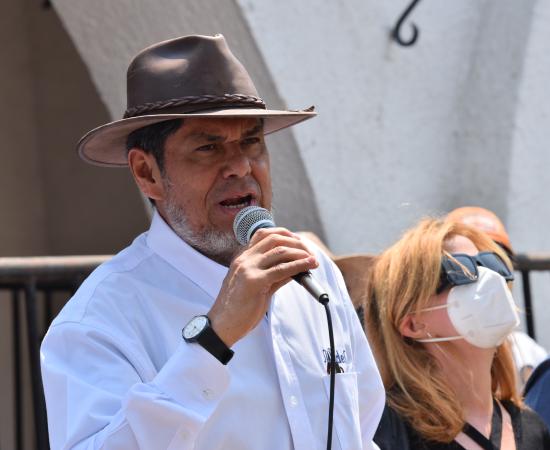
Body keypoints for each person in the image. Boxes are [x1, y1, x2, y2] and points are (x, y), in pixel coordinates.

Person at [40, 34, 384, 449]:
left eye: (252, 142)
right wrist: (213, 340)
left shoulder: (312, 271)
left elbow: (361, 428)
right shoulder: (98, 320)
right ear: (147, 173)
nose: (240, 166)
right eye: (208, 147)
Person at [365, 218, 550, 449]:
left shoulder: (532, 427)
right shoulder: (384, 430)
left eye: (490, 264)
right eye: (460, 270)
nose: (489, 278)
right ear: (412, 324)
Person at [447, 206, 548, 386]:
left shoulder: (527, 352)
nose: (488, 275)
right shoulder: (430, 354)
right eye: (465, 264)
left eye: (495, 261)